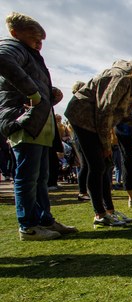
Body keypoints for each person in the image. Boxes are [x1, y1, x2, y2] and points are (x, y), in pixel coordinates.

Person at [0, 12, 77, 240]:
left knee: (42, 177)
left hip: (39, 125)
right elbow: (3, 61)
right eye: (35, 39)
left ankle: (45, 220)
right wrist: (34, 94)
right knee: (27, 177)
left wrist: (49, 94)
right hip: (24, 123)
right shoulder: (12, 47)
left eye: (41, 40)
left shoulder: (29, 54)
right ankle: (29, 226)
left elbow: (32, 86)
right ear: (16, 33)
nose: (39, 45)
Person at [65, 56, 132, 227]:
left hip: (95, 120)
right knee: (97, 166)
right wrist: (105, 145)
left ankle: (110, 211)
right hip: (83, 117)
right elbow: (105, 112)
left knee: (106, 166)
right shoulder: (123, 81)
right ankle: (100, 214)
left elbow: (123, 113)